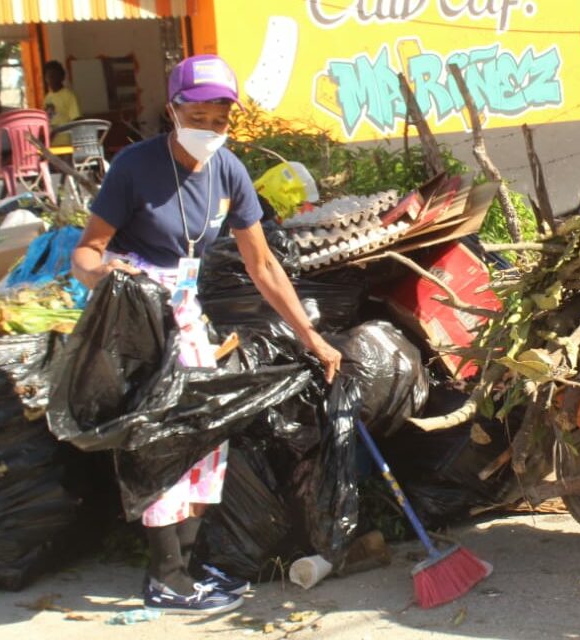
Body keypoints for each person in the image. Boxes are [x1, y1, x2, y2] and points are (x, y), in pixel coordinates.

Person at [71, 54, 343, 615]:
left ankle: (188, 570)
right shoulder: (135, 167)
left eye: (221, 116)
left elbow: (263, 267)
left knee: (204, 435)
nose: (211, 126)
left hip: (187, 311)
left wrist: (311, 336)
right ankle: (166, 576)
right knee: (164, 438)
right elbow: (87, 249)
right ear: (172, 110)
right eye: (199, 114)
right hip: (138, 317)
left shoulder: (229, 172)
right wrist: (101, 272)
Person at [43, 60, 81, 145]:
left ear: (62, 77)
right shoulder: (47, 98)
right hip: (52, 144)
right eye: (49, 77)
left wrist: (57, 131)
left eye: (54, 76)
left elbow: (76, 120)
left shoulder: (69, 96)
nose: (51, 79)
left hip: (66, 143)